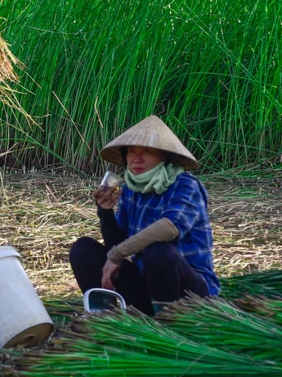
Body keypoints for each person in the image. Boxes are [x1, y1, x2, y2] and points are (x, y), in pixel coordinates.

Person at [69, 115, 219, 315]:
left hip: (190, 291)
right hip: (148, 282)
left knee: (158, 251)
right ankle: (105, 314)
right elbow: (119, 241)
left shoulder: (185, 185)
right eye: (131, 152)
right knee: (82, 249)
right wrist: (105, 212)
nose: (137, 158)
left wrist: (116, 254)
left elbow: (169, 228)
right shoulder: (132, 188)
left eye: (147, 151)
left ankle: (167, 322)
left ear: (164, 157)